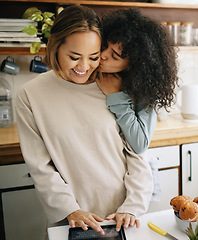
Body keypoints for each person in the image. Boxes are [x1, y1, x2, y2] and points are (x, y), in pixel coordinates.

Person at [15, 4, 153, 236]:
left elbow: (136, 155)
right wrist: (71, 210)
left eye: (94, 57)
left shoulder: (113, 87)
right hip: (71, 218)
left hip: (123, 215)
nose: (84, 67)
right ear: (55, 47)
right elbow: (40, 166)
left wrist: (131, 207)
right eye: (74, 57)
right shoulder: (30, 95)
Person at [96, 8, 179, 154]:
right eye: (104, 46)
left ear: (133, 66)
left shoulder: (142, 90)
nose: (102, 55)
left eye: (115, 56)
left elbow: (140, 144)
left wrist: (116, 96)